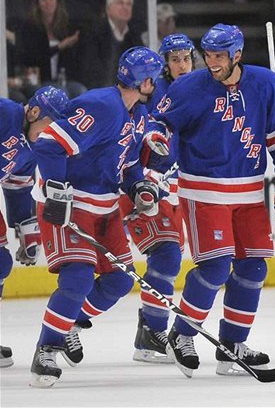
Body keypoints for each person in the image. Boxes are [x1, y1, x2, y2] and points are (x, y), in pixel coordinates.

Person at [149, 23, 275, 378]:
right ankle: (182, 335)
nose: (212, 62)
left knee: (254, 268)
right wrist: (156, 140)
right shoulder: (190, 86)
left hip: (249, 191)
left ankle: (232, 345)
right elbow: (161, 123)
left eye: (219, 55)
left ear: (237, 54)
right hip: (204, 190)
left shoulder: (265, 83)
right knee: (216, 267)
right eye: (208, 55)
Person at [29, 46, 164, 388]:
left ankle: (70, 323)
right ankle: (46, 348)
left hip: (105, 206)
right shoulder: (102, 106)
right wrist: (57, 189)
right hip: (70, 204)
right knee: (78, 277)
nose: (157, 84)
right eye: (154, 78)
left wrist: (139, 189)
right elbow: (48, 144)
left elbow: (129, 163)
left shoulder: (136, 115)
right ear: (144, 80)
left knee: (119, 280)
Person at [122, 33, 195, 364]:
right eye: (174, 59)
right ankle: (151, 331)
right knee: (166, 257)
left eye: (186, 58)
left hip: (178, 188)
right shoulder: (153, 92)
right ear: (165, 65)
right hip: (146, 185)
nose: (181, 65)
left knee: (167, 258)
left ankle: (148, 330)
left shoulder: (202, 90)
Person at [0, 86, 69, 368]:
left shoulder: (33, 149)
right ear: (34, 111)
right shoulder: (5, 112)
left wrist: (25, 225)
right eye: (49, 125)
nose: (50, 134)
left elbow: (16, 186)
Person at [18, 0, 86, 98]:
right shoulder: (30, 28)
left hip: (63, 79)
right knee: (62, 94)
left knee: (82, 91)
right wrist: (60, 46)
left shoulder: (65, 27)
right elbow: (33, 58)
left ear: (57, 2)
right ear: (38, 3)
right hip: (40, 80)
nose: (48, 2)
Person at [79, 0, 143, 88]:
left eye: (128, 4)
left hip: (128, 89)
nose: (125, 7)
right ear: (108, 8)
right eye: (120, 3)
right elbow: (90, 68)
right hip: (98, 89)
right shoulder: (92, 32)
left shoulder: (134, 35)